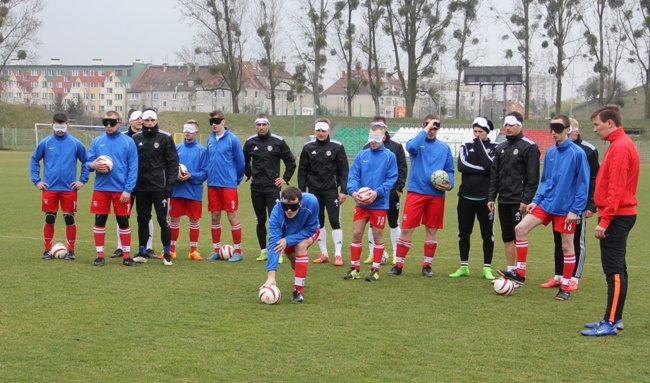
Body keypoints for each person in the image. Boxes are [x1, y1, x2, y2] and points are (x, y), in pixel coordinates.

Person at [497, 115, 589, 301]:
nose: (553, 132)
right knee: (520, 228)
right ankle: (520, 274)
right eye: (551, 128)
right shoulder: (550, 152)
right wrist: (537, 200)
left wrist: (575, 210)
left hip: (566, 208)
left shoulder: (577, 153)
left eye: (558, 128)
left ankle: (565, 287)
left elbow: (583, 184)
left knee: (566, 246)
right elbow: (546, 180)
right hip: (547, 203)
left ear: (568, 129)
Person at [582, 104, 639, 337]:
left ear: (610, 123)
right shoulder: (617, 145)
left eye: (596, 124)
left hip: (617, 217)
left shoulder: (621, 147)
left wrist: (605, 219)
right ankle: (614, 317)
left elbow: (616, 188)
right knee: (618, 270)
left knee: (614, 271)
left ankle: (611, 321)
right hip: (618, 215)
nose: (594, 129)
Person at [387, 115, 454, 278]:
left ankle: (427, 265)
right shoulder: (416, 143)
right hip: (416, 192)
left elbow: (450, 170)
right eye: (429, 127)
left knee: (432, 229)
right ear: (423, 126)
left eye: (435, 128)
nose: (432, 130)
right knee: (407, 229)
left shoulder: (444, 148)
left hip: (436, 195)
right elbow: (411, 148)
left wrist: (449, 184)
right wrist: (425, 128)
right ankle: (399, 265)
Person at [542, 118, 599, 291]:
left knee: (576, 241)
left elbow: (592, 180)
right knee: (558, 240)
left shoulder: (587, 150)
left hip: (576, 206)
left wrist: (590, 205)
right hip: (558, 205)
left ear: (574, 130)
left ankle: (575, 277)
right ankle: (559, 276)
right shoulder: (556, 151)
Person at [487, 112, 540, 277]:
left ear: (520, 125)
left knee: (519, 234)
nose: (507, 128)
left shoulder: (529, 147)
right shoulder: (500, 147)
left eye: (511, 125)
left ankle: (520, 271)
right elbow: (494, 175)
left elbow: (533, 177)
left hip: (519, 201)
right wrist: (491, 197)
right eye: (506, 125)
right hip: (503, 199)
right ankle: (510, 271)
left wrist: (526, 199)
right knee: (507, 236)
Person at [30, 113, 89, 260]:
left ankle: (71, 250)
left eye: (62, 126)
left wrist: (82, 180)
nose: (60, 129)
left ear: (67, 125)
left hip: (69, 189)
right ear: (52, 125)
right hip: (50, 188)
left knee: (69, 218)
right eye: (57, 126)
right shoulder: (45, 143)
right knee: (50, 218)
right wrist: (37, 180)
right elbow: (34, 160)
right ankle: (47, 250)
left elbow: (86, 162)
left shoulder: (75, 143)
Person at [344, 121, 397, 282]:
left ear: (383, 137)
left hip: (379, 203)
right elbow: (353, 176)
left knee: (377, 235)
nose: (373, 141)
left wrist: (376, 193)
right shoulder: (362, 155)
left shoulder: (390, 156)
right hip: (361, 203)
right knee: (356, 233)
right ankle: (355, 268)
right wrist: (353, 192)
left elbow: (392, 179)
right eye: (371, 137)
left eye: (377, 137)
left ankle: (375, 269)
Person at [87, 111, 139, 266]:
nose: (108, 126)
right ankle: (100, 256)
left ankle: (126, 256)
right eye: (105, 123)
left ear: (119, 122)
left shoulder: (128, 142)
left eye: (112, 122)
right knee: (100, 220)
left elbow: (133, 167)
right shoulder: (97, 142)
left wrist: (128, 190)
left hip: (121, 189)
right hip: (101, 188)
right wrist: (92, 165)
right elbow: (87, 163)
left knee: (123, 221)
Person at [243, 114, 296, 264]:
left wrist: (284, 178)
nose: (261, 127)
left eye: (264, 124)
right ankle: (263, 251)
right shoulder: (250, 142)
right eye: (258, 124)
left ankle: (277, 252)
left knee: (276, 220)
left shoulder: (278, 142)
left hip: (273, 188)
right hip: (256, 188)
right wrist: (249, 174)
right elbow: (243, 161)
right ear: (256, 126)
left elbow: (290, 162)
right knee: (260, 220)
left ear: (268, 125)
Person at [450, 116, 498, 280]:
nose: (477, 134)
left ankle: (487, 268)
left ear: (487, 132)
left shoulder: (495, 147)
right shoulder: (465, 145)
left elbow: (492, 166)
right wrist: (485, 169)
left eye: (481, 132)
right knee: (464, 232)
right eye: (475, 131)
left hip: (486, 199)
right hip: (465, 197)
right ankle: (464, 266)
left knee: (487, 234)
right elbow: (462, 166)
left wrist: (479, 146)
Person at [297, 118, 349, 267]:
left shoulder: (337, 147)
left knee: (335, 221)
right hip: (313, 191)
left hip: (331, 190)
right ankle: (323, 253)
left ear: (328, 131)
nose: (320, 133)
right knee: (317, 222)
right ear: (315, 131)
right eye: (318, 130)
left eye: (323, 130)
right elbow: (302, 172)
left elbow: (344, 170)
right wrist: (302, 193)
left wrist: (343, 190)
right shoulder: (308, 147)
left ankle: (338, 255)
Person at [131, 109, 179, 266]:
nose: (150, 123)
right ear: (142, 121)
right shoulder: (135, 138)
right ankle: (142, 252)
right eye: (147, 120)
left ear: (157, 120)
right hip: (142, 187)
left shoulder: (165, 137)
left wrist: (170, 184)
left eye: (152, 120)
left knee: (163, 221)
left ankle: (166, 254)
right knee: (142, 220)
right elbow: (131, 163)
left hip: (160, 187)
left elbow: (173, 162)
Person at [261, 186, 320, 303]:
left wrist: (288, 240)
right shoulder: (276, 214)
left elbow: (310, 229)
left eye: (293, 207)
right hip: (287, 234)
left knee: (301, 246)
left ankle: (298, 291)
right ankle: (298, 270)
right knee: (294, 261)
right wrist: (271, 276)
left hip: (309, 230)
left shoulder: (312, 202)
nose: (289, 210)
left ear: (300, 203)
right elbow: (274, 243)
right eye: (285, 206)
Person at [363, 116, 408, 266]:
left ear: (385, 128)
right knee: (372, 224)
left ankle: (396, 254)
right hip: (373, 194)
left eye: (380, 126)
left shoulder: (395, 146)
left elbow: (402, 168)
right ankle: (372, 253)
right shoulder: (367, 147)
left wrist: (398, 188)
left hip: (391, 192)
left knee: (393, 222)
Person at [111, 109, 155, 259]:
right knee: (122, 215)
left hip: (145, 183)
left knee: (146, 216)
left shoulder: (149, 136)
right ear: (129, 121)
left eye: (140, 118)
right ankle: (120, 247)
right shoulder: (122, 138)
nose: (139, 121)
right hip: (125, 184)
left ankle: (148, 247)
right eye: (135, 118)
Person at [203, 110, 246, 262]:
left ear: (223, 121)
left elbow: (241, 163)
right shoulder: (210, 139)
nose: (214, 124)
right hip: (212, 184)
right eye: (211, 122)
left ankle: (238, 251)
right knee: (215, 216)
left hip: (228, 185)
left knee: (231, 216)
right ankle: (216, 250)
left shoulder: (232, 140)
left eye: (217, 121)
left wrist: (236, 180)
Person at [168, 120, 208, 261]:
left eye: (190, 130)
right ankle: (171, 250)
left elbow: (205, 173)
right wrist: (175, 175)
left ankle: (193, 251)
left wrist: (191, 176)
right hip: (177, 191)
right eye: (185, 129)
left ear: (196, 132)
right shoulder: (176, 149)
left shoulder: (202, 151)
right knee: (174, 220)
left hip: (194, 191)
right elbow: (169, 167)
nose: (187, 132)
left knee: (194, 221)